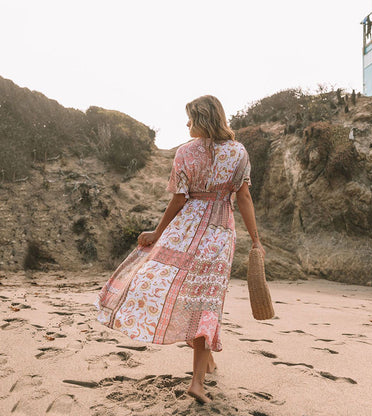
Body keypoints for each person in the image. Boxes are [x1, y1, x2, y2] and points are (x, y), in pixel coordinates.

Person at [95, 94, 265, 404]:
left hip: (184, 231)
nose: (186, 124)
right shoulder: (238, 153)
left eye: (190, 118)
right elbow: (244, 199)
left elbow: (179, 199)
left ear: (202, 119)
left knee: (182, 292)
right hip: (218, 234)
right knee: (206, 300)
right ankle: (198, 380)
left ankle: (204, 364)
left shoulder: (185, 153)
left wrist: (157, 233)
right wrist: (256, 239)